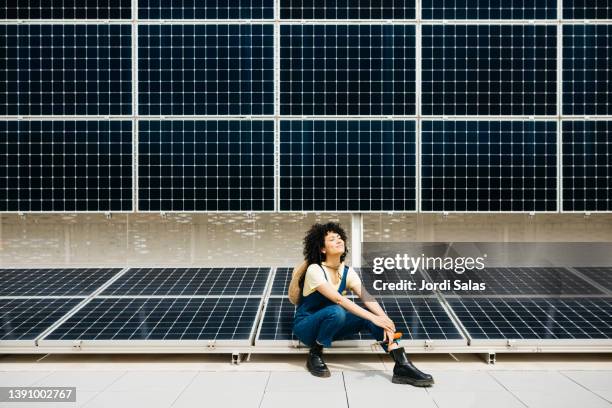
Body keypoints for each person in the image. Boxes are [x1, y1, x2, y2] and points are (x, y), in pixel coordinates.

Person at [288, 222, 434, 387]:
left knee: (371, 319)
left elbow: (367, 297)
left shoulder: (347, 271)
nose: (339, 240)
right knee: (337, 311)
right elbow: (339, 300)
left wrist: (385, 321)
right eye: (332, 239)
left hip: (331, 326)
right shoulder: (315, 270)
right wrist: (376, 318)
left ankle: (402, 365)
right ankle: (315, 353)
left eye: (339, 237)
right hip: (306, 327)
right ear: (322, 248)